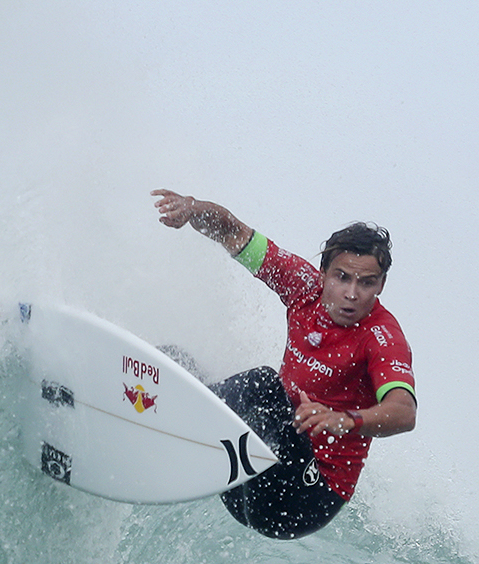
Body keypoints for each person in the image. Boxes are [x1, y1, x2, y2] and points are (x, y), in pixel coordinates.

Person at [151, 189, 417, 539]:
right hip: (247, 480)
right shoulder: (302, 287)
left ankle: (175, 417)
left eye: (366, 283)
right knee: (176, 362)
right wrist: (192, 209)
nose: (352, 293)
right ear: (323, 273)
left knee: (263, 385)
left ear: (381, 284)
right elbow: (233, 232)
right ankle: (132, 398)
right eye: (342, 277)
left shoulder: (381, 336)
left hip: (303, 498)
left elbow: (404, 411)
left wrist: (346, 420)